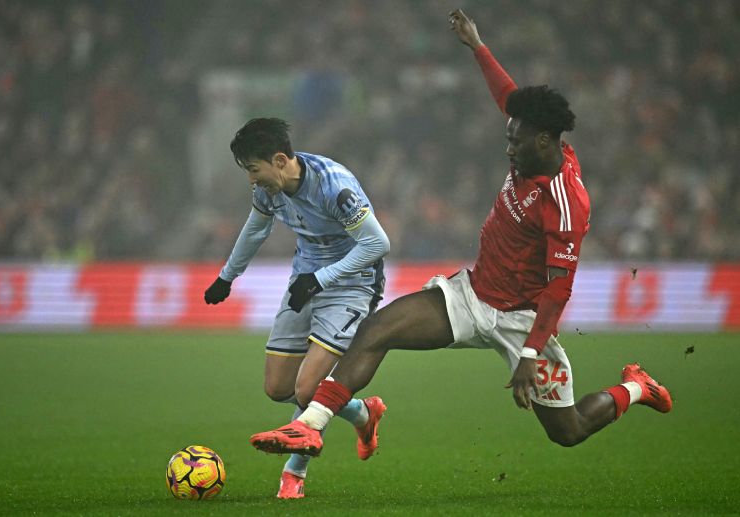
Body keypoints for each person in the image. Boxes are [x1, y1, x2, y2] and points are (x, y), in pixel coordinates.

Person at [249, 10, 672, 459]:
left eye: (517, 142)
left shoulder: (566, 202)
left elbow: (557, 291)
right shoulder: (531, 147)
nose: (508, 149)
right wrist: (477, 46)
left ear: (546, 141)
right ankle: (311, 427)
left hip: (523, 322)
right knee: (377, 329)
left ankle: (635, 387)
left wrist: (529, 356)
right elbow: (508, 98)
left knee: (568, 431)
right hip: (471, 296)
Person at [204, 118, 390, 498]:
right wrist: (227, 276)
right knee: (277, 388)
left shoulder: (334, 187)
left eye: (254, 171)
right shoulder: (270, 191)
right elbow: (256, 229)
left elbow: (377, 244)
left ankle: (294, 475)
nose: (252, 181)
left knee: (308, 389)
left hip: (351, 285)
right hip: (305, 279)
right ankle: (360, 412)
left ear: (278, 160)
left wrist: (322, 279)